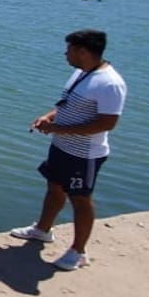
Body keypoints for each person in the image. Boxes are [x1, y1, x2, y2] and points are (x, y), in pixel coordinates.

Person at [11, 29, 127, 271]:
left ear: (83, 52)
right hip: (62, 147)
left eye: (69, 50)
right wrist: (48, 118)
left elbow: (107, 123)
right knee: (54, 188)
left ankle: (79, 251)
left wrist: (59, 129)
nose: (66, 54)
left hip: (84, 154)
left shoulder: (110, 83)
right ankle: (42, 230)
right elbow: (66, 106)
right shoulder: (81, 74)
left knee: (80, 200)